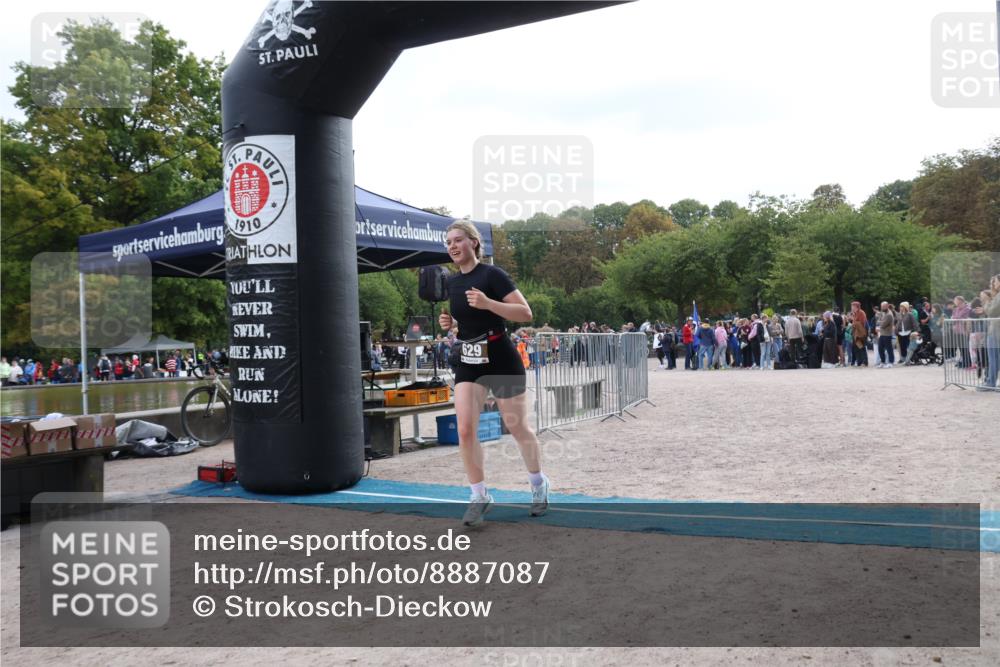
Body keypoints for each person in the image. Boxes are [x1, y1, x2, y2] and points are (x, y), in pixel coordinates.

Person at [437, 220, 548, 527]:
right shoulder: (452, 283)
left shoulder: (492, 275)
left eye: (458, 240)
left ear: (473, 242)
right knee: (464, 429)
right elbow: (468, 321)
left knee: (516, 427)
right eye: (449, 242)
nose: (453, 246)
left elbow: (525, 313)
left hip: (500, 357)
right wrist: (452, 325)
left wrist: (488, 303)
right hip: (469, 359)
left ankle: (538, 484)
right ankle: (479, 495)